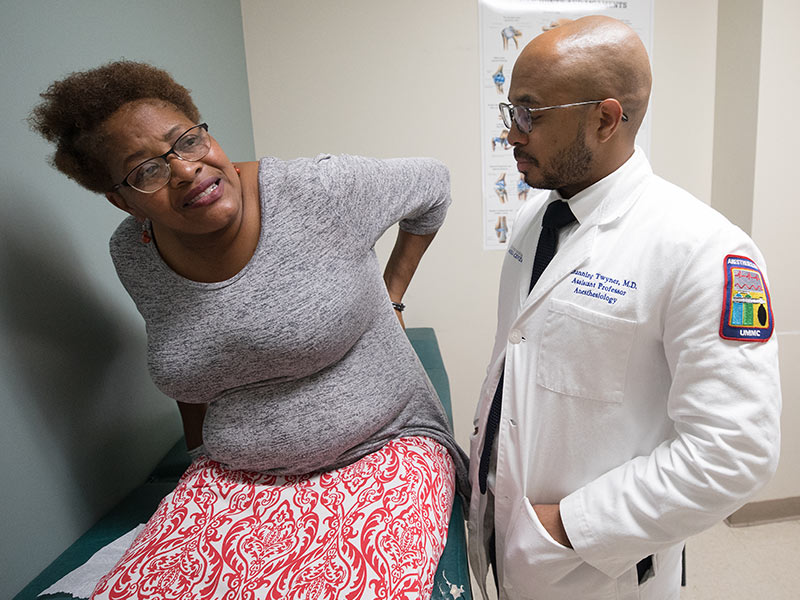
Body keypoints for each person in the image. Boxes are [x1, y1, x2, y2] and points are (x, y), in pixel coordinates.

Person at [30, 60, 469, 600]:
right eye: (146, 170)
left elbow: (435, 185)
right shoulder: (133, 252)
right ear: (122, 200)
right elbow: (189, 360)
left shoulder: (317, 190)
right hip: (233, 479)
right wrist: (199, 460)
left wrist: (392, 295)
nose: (185, 170)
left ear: (205, 132)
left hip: (379, 452)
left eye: (187, 141)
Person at [468, 16, 781, 600]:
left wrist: (566, 529)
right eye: (510, 113)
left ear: (605, 118)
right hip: (508, 538)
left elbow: (735, 450)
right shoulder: (538, 223)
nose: (513, 134)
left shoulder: (705, 251)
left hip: (595, 572)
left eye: (530, 114)